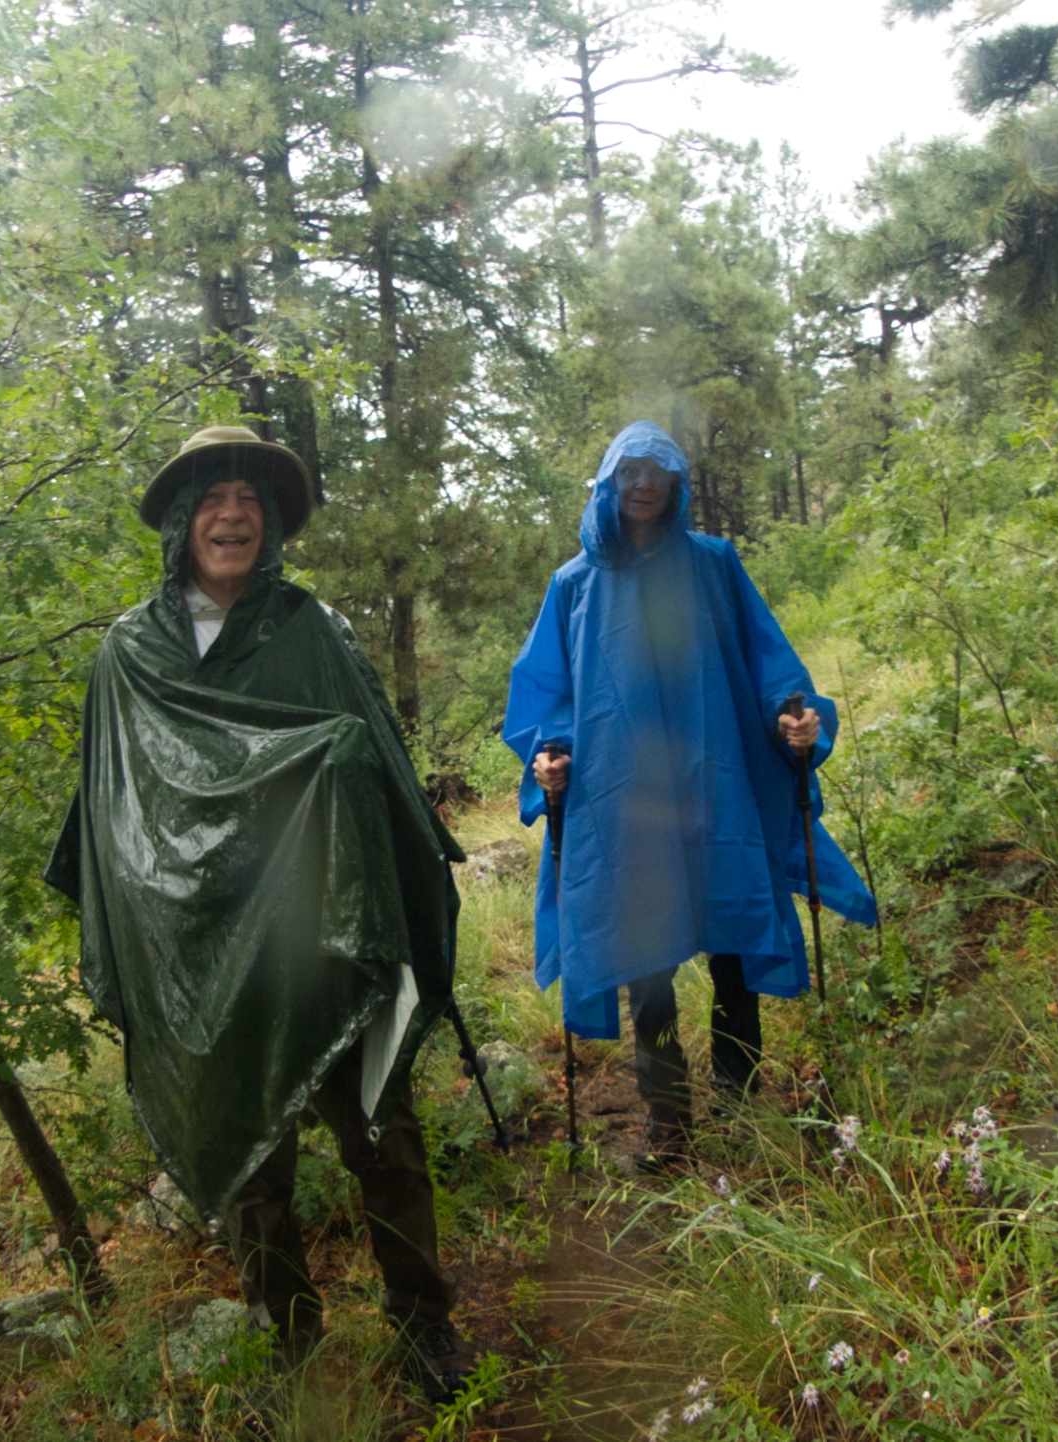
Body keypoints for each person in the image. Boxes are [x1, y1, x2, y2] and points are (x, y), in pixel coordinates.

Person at [44, 425, 471, 1399]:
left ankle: (421, 1322)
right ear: (182, 524)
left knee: (383, 1133)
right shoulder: (131, 653)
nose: (230, 514)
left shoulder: (313, 632)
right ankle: (289, 1342)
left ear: (270, 520)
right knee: (251, 1161)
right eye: (210, 498)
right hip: (198, 955)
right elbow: (114, 812)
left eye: (247, 497)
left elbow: (387, 770)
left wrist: (364, 786)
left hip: (322, 931)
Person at [502, 422, 876, 1167]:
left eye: (657, 471)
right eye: (629, 471)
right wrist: (552, 756)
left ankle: (740, 1106)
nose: (643, 484)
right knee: (647, 961)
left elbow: (768, 657)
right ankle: (668, 1120)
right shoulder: (574, 583)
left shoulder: (712, 564)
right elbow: (549, 693)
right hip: (623, 799)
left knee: (735, 942)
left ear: (678, 483)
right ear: (609, 483)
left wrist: (791, 715)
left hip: (717, 785)